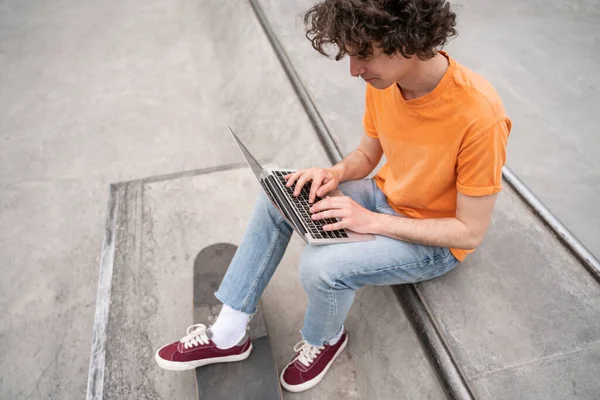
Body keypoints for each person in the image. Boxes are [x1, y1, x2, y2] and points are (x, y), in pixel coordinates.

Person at [155, 0, 511, 393]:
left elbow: (469, 233)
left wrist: (370, 221)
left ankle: (324, 340)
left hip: (434, 242)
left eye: (363, 55)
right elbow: (366, 155)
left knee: (321, 268)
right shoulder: (387, 82)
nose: (354, 70)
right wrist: (333, 174)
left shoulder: (480, 115)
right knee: (282, 193)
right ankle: (229, 331)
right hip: (384, 197)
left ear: (405, 40)